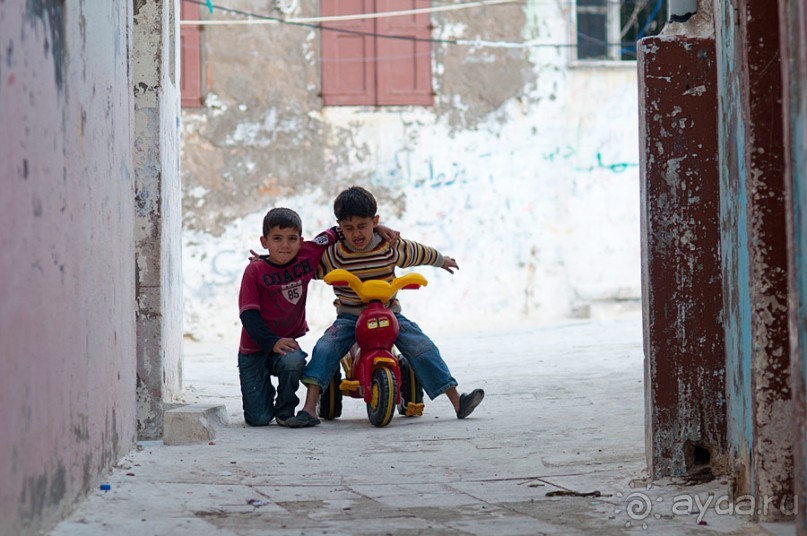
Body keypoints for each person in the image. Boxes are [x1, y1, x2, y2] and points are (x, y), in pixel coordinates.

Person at [286, 186, 485, 428]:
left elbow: (417, 252)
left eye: (362, 226)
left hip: (389, 314)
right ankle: (309, 408)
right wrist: (270, 264)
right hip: (350, 317)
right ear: (339, 228)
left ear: (375, 221)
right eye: (348, 228)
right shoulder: (334, 255)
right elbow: (304, 267)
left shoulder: (389, 246)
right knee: (325, 348)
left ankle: (457, 400)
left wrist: (441, 260)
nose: (356, 233)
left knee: (422, 346)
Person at [237, 207, 398, 427]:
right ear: (264, 242)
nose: (285, 245)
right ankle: (263, 396)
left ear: (301, 241)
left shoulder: (308, 253)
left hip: (286, 346)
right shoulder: (254, 271)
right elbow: (248, 316)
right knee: (258, 419)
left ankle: (285, 409)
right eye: (277, 239)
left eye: (292, 239)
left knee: (293, 360)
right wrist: (272, 341)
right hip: (254, 350)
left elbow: (338, 231)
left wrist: (377, 228)